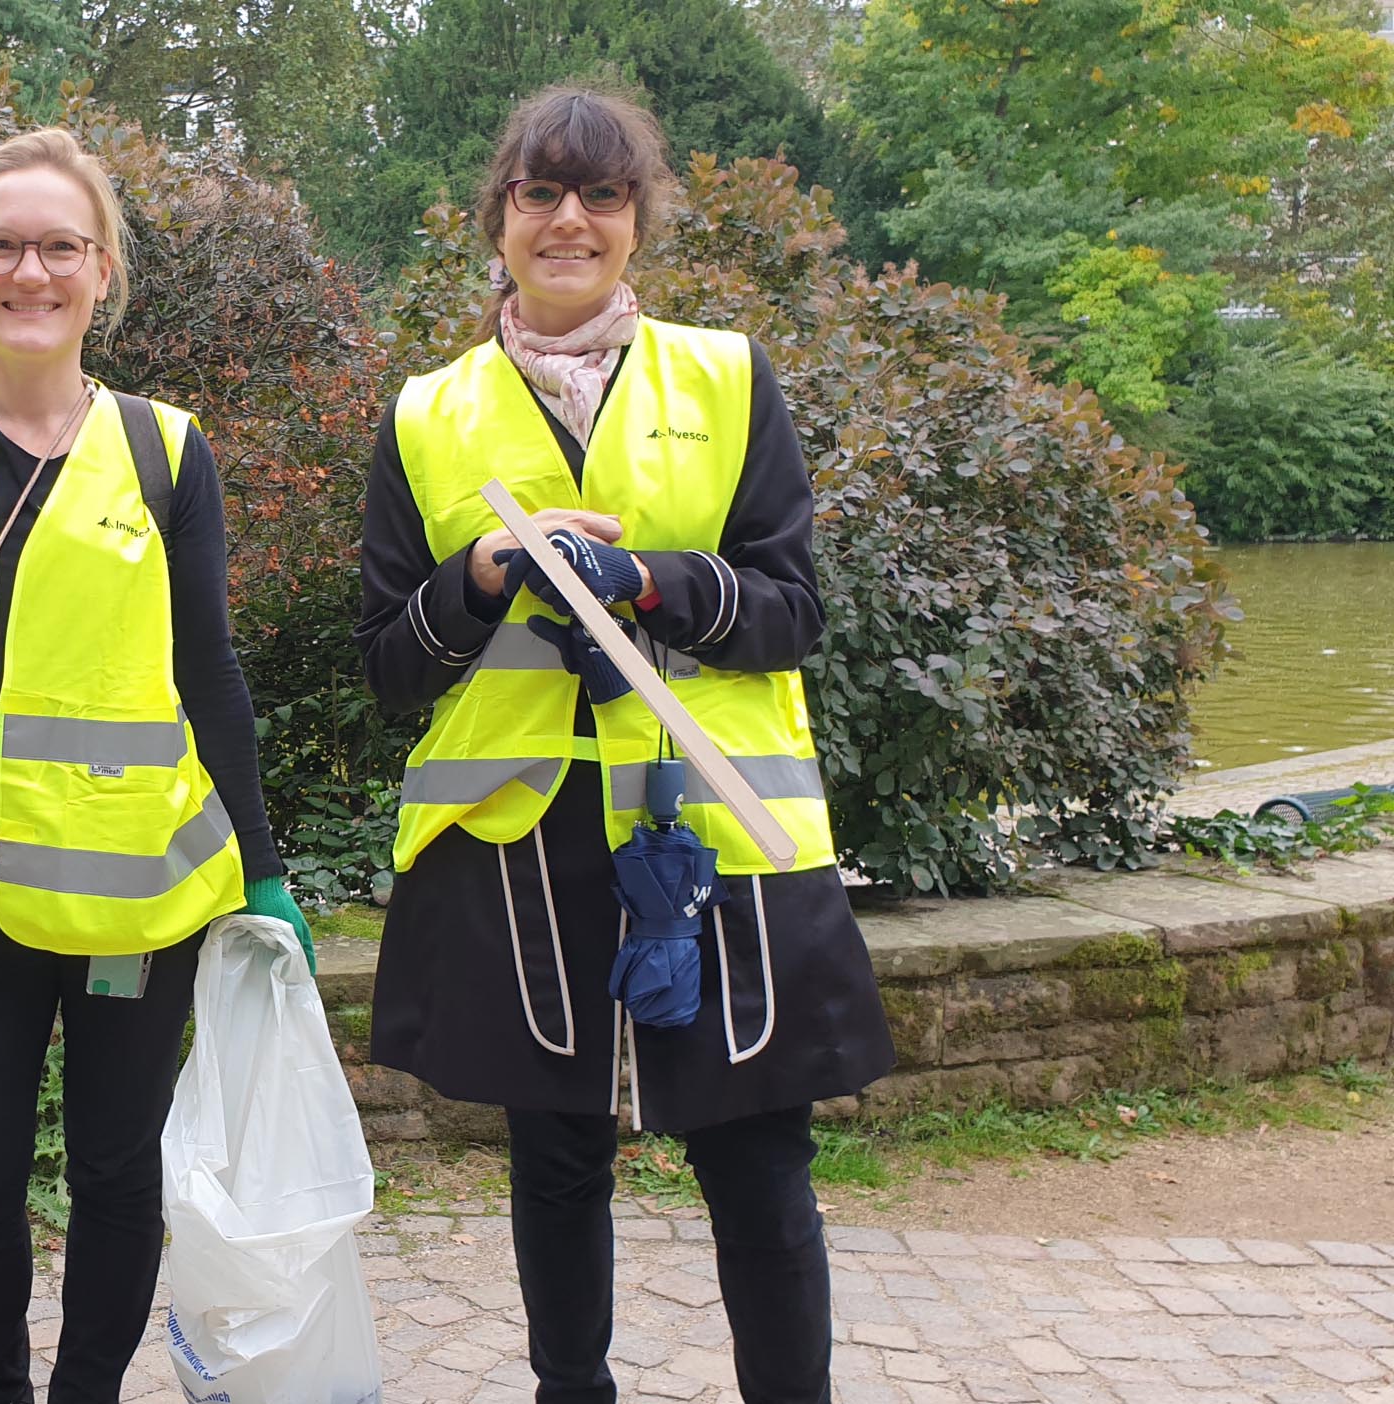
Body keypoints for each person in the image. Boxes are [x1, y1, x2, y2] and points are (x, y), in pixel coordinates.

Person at [354, 85, 896, 1404]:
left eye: (601, 194)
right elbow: (385, 665)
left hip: (712, 831)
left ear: (639, 219)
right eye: (540, 193)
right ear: (500, 218)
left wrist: (655, 581)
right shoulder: (427, 413)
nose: (570, 220)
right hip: (520, 843)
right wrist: (475, 586)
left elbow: (793, 612)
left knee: (757, 1167)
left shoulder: (725, 374)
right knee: (555, 1166)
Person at [0, 127, 306, 1404]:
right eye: (3, 246)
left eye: (60, 247)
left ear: (103, 273)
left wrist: (260, 868)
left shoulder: (164, 453)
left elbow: (211, 673)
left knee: (113, 1173)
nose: (31, 272)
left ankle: (86, 1388)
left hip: (132, 900)